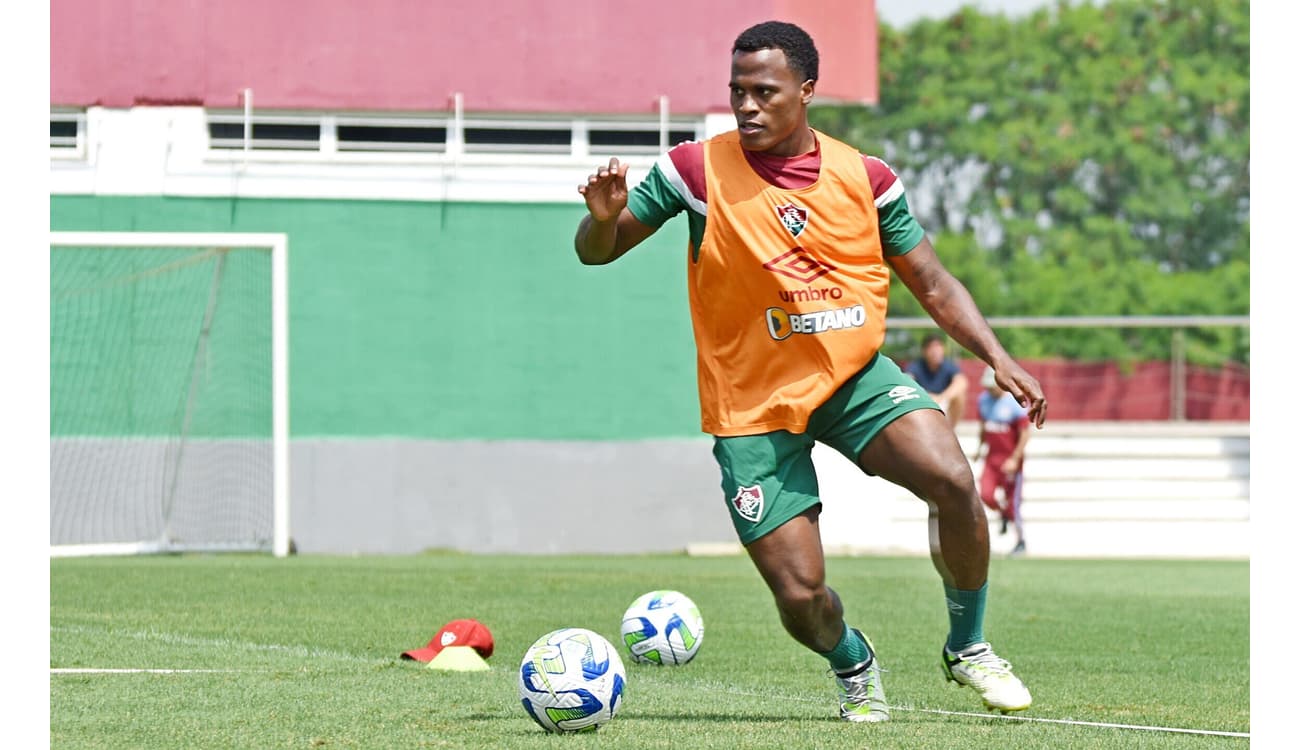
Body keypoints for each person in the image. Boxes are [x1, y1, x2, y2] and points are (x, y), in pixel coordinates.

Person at [573, 20, 1047, 722]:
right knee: (800, 597)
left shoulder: (868, 179)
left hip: (851, 379)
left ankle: (968, 647)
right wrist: (603, 221)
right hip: (752, 408)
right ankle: (852, 658)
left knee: (951, 477)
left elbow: (935, 284)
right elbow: (596, 253)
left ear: (806, 91)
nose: (746, 106)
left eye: (764, 91)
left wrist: (998, 358)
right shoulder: (695, 172)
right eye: (737, 91)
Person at [974, 366, 1032, 556]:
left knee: (1014, 503)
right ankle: (1003, 515)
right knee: (986, 495)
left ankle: (1021, 541)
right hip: (992, 459)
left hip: (1010, 462)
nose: (990, 390)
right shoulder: (983, 401)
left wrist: (1015, 459)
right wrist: (979, 448)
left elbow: (1024, 433)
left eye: (993, 386)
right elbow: (984, 427)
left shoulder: (1015, 403)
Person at [906, 332, 969, 428]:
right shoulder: (916, 366)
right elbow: (907, 381)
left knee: (960, 395)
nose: (935, 351)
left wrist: (942, 397)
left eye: (938, 346)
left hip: (943, 402)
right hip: (922, 403)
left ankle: (952, 430)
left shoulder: (948, 365)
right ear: (924, 351)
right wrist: (926, 396)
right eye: (931, 347)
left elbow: (961, 382)